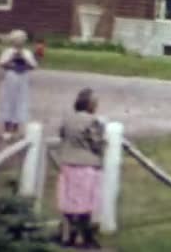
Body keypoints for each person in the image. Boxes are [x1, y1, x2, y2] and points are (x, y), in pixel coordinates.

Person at [56, 88, 105, 248]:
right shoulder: (92, 121)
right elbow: (96, 142)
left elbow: (62, 134)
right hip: (86, 166)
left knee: (69, 202)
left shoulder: (68, 119)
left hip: (68, 164)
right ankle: (86, 238)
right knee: (85, 204)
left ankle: (68, 236)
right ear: (90, 104)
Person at [0, 29, 37, 141]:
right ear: (13, 40)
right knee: (7, 102)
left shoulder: (27, 52)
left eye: (22, 39)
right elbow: (1, 64)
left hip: (23, 80)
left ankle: (15, 130)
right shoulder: (7, 51)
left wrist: (23, 57)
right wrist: (12, 58)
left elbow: (33, 66)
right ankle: (6, 130)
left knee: (20, 102)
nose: (20, 41)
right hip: (10, 79)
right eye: (18, 39)